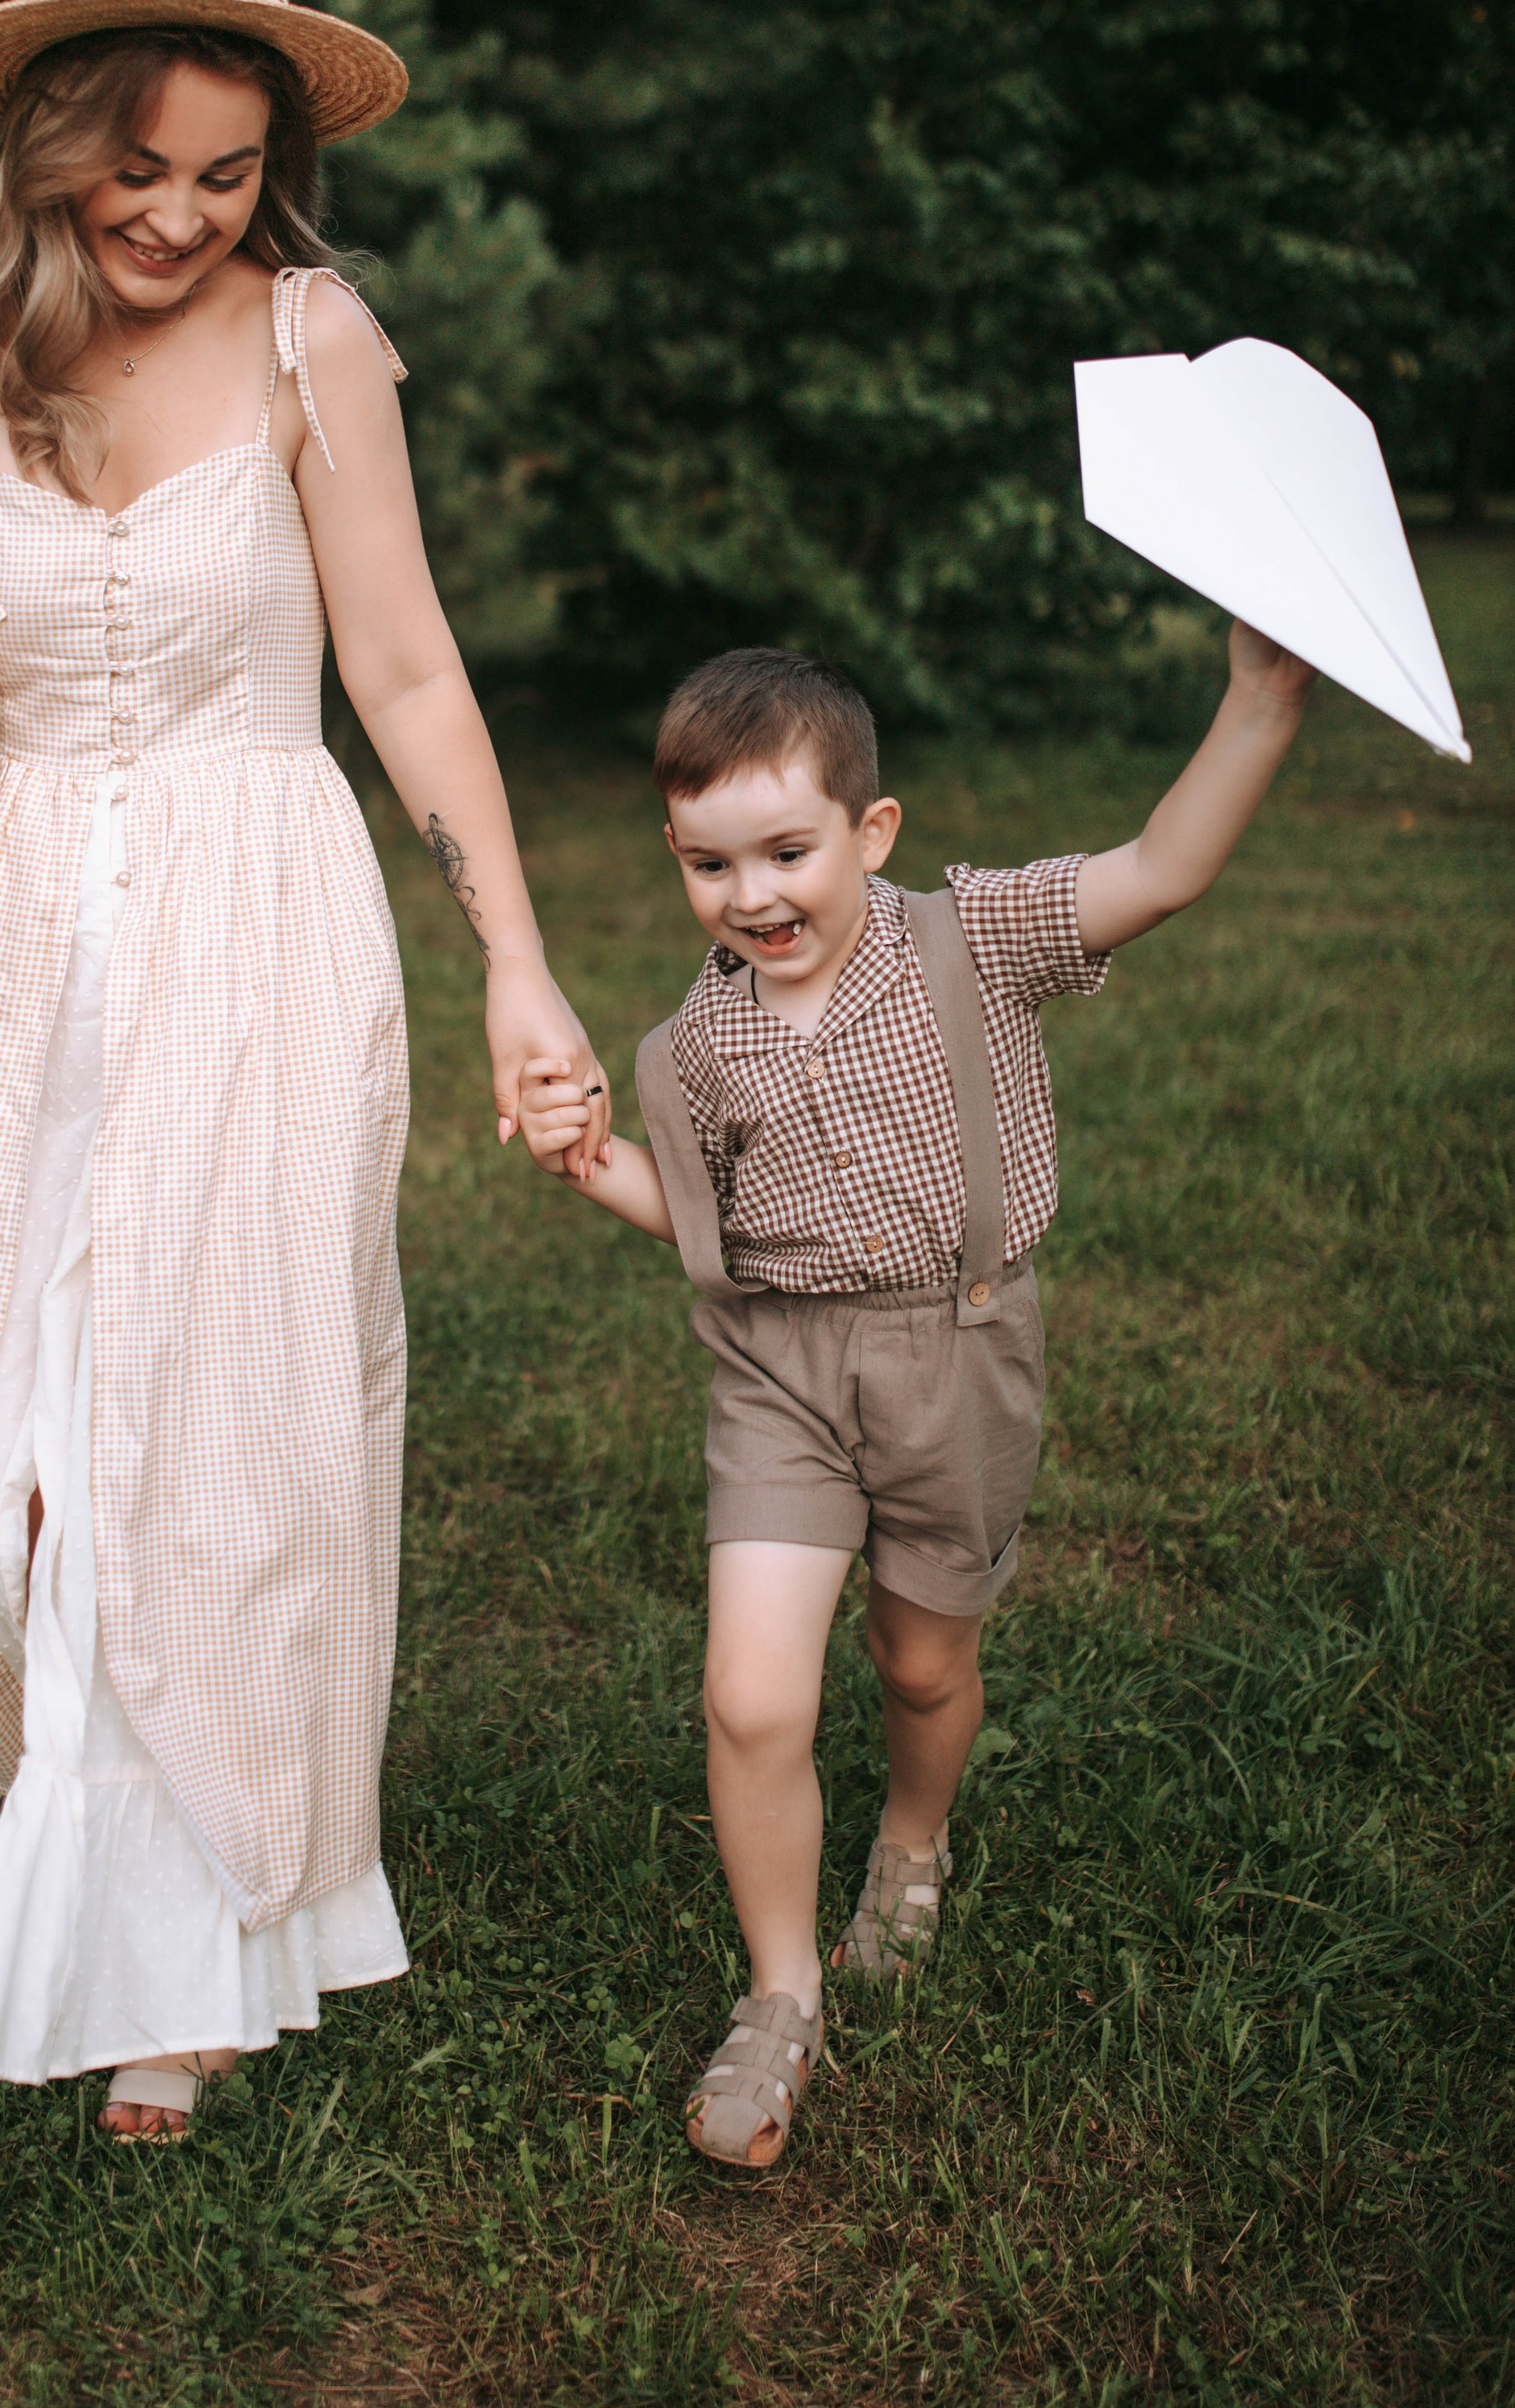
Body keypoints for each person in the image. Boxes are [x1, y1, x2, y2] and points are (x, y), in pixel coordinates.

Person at [0, 0, 608, 2141]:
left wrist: (518, 957)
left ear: (275, 174)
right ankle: (101, 1778)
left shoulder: (314, 340)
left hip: (259, 917)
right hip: (16, 919)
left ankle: (191, 1937)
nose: (173, 214)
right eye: (134, 165)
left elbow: (409, 674)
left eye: (224, 174)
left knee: (223, 1430)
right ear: (51, 138)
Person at [515, 624, 1311, 2168]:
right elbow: (702, 1222)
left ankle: (913, 1836)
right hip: (778, 1371)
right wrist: (579, 1151)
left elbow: (1160, 869)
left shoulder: (975, 938)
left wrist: (1260, 702)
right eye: (707, 864)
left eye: (786, 852)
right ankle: (780, 1993)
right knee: (752, 1694)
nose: (751, 898)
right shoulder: (695, 1043)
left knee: (924, 1666)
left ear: (871, 833)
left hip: (958, 1354)